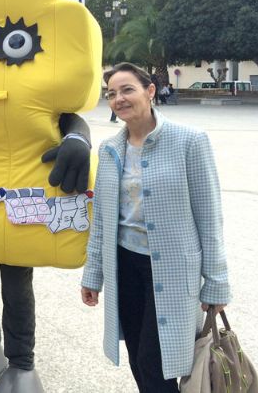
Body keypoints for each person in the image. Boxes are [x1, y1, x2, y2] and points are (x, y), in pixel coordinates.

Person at [80, 62, 231, 392]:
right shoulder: (109, 150)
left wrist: (217, 281)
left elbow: (210, 216)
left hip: (173, 271)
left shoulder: (189, 141)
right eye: (111, 93)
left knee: (154, 360)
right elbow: (103, 220)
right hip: (126, 266)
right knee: (137, 356)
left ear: (150, 91)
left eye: (127, 89)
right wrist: (93, 274)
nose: (118, 98)